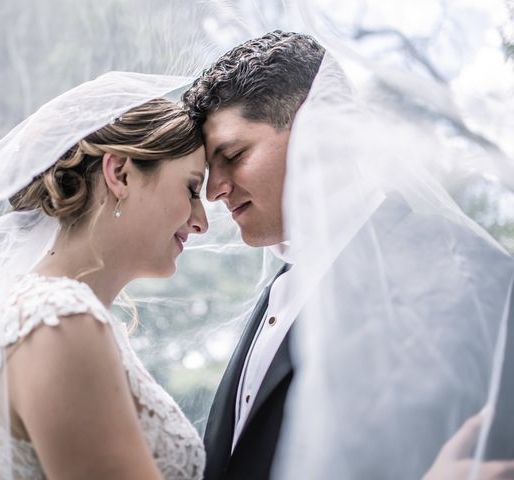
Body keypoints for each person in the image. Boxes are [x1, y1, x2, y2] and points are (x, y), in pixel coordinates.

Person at [183, 31, 514, 480]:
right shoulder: (278, 292)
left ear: (316, 132)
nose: (214, 189)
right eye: (208, 169)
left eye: (234, 155)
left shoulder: (461, 267)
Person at [0, 73, 208, 479]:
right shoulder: (61, 321)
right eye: (192, 189)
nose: (201, 221)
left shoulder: (54, 313)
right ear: (120, 173)